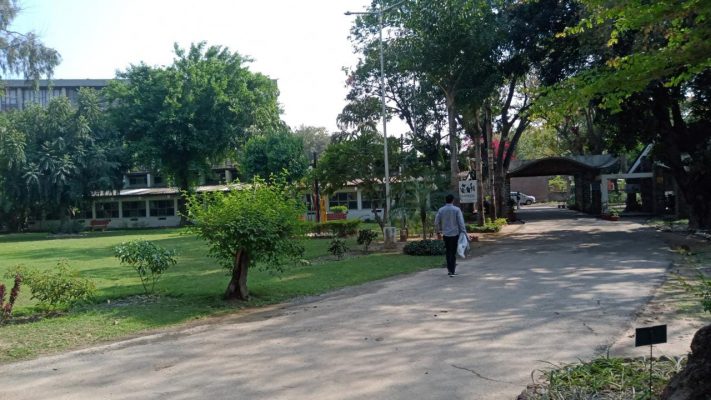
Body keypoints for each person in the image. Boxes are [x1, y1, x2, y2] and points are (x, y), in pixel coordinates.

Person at [434, 194, 466, 277]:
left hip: (446, 234)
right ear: (453, 200)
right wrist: (464, 232)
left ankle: (449, 270)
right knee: (453, 252)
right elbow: (461, 222)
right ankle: (453, 270)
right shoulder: (456, 210)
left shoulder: (441, 210)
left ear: (446, 200)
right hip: (455, 234)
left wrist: (438, 231)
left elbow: (436, 222)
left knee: (448, 252)